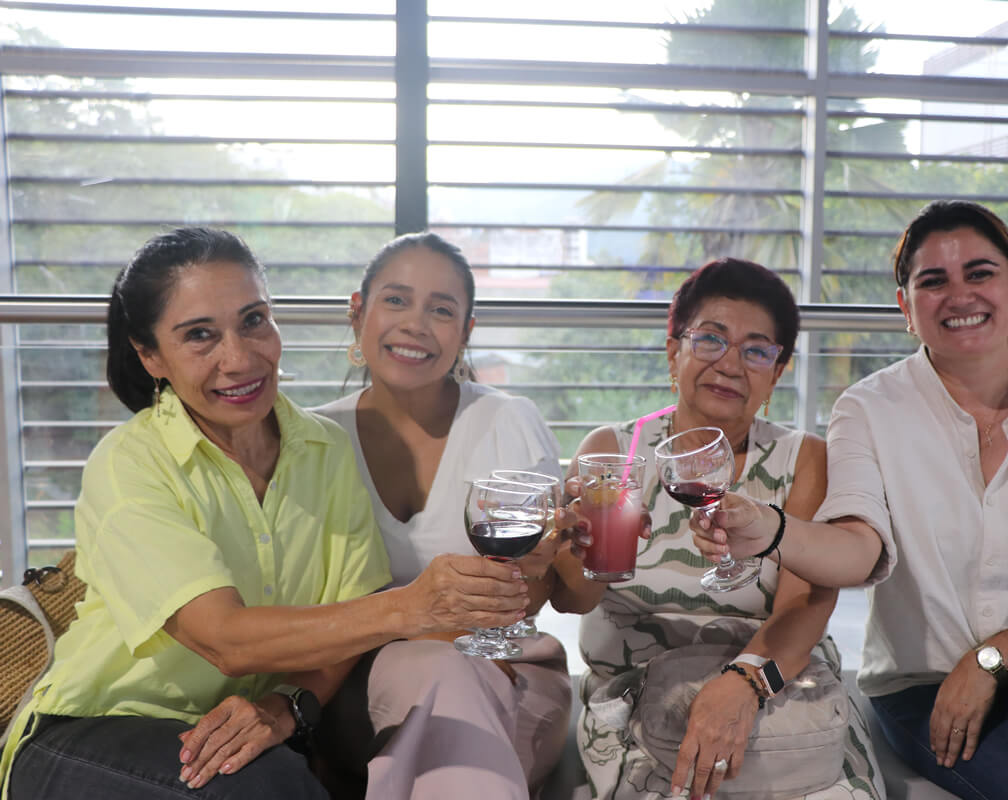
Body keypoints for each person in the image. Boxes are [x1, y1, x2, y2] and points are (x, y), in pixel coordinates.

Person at [0, 227, 532, 800]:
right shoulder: (130, 463)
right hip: (95, 730)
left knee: (280, 775)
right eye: (200, 336)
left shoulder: (327, 451)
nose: (240, 358)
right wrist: (414, 606)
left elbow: (343, 628)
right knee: (269, 788)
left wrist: (284, 708)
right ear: (150, 355)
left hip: (239, 728)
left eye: (254, 321)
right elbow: (225, 638)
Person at [692, 201, 1008, 800]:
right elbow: (858, 549)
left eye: (980, 273)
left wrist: (990, 660)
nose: (959, 295)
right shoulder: (868, 409)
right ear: (906, 309)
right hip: (922, 688)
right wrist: (772, 530)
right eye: (932, 281)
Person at [556, 257, 884, 800]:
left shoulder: (803, 459)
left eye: (756, 350)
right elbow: (572, 601)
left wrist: (747, 683)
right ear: (673, 349)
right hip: (638, 700)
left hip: (780, 687)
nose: (731, 364)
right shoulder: (614, 451)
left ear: (776, 373)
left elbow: (808, 607)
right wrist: (581, 553)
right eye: (711, 339)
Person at [312, 232, 572, 798]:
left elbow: (546, 583)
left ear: (466, 331)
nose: (416, 324)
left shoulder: (508, 420)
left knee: (445, 673)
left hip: (509, 676)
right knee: (435, 668)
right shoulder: (312, 440)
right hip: (352, 686)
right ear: (358, 313)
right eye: (397, 300)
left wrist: (563, 554)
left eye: (442, 309)